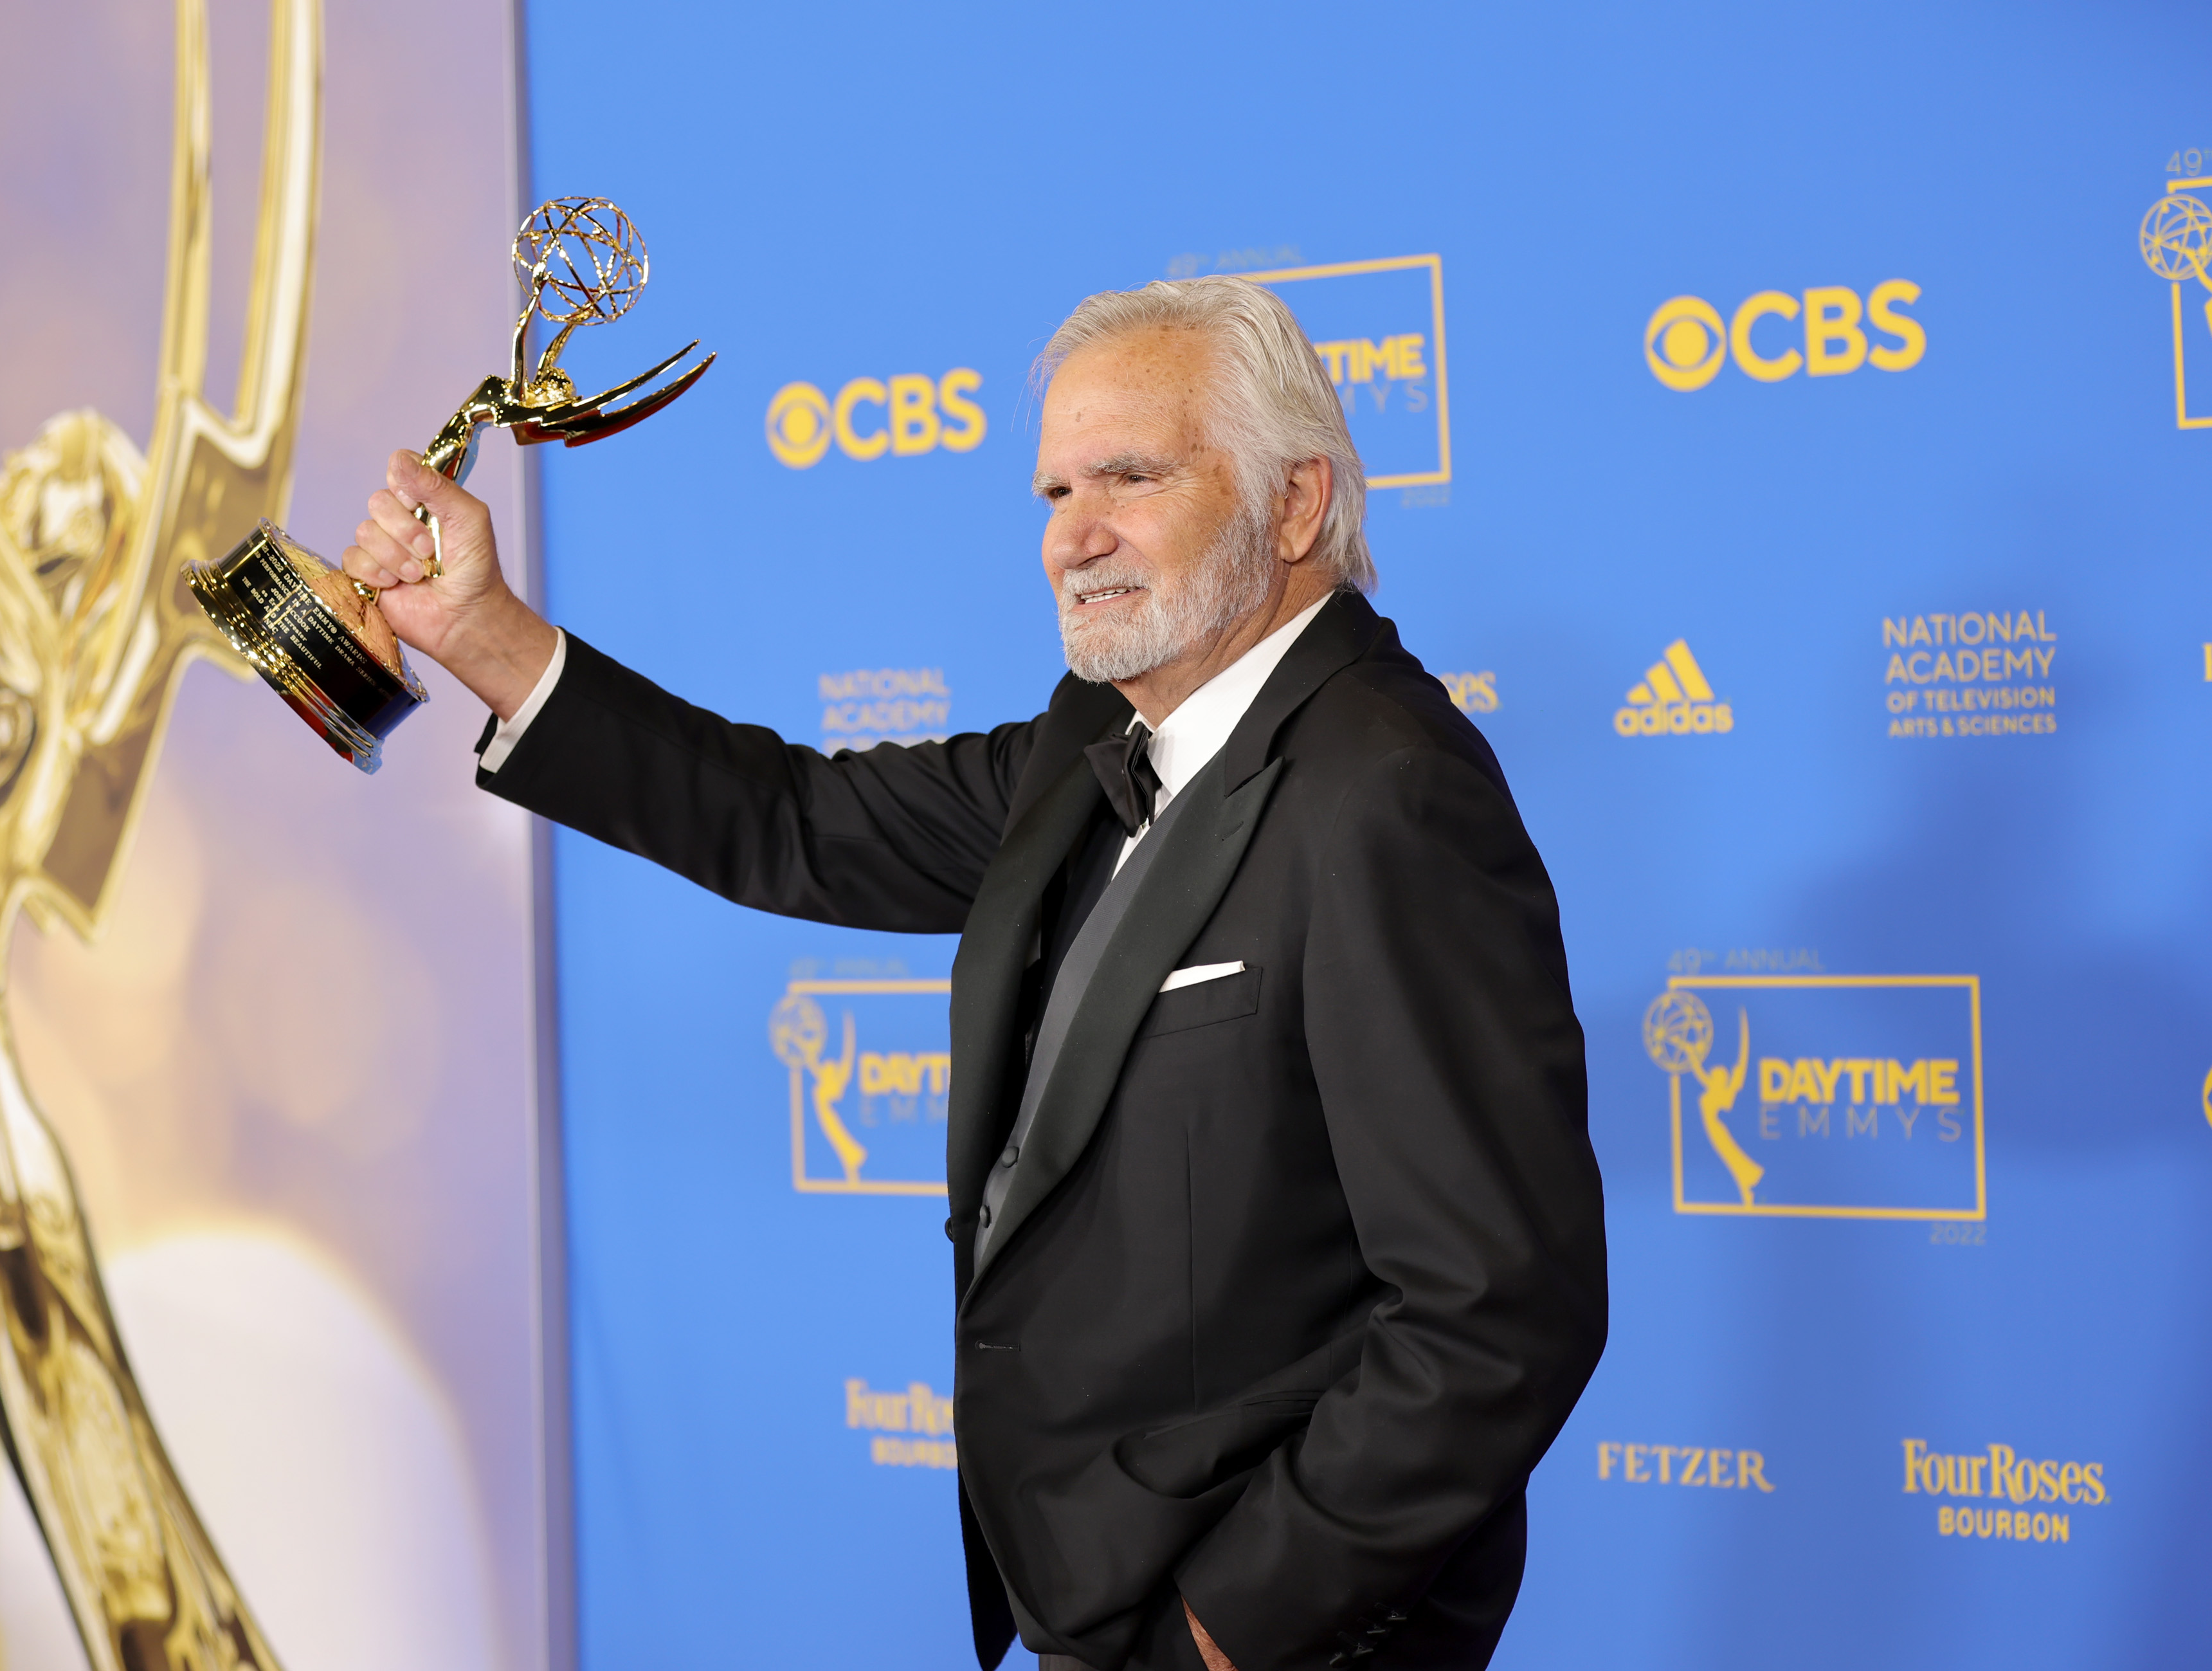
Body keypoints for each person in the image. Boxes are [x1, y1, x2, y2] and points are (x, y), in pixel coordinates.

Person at [345, 277, 1607, 1671]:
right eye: (1054, 489)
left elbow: (1495, 1312)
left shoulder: (1386, 794)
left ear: (1295, 505)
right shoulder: (1091, 744)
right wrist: (479, 635)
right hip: (1088, 1596)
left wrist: (1223, 1627)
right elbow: (789, 822)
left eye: (1129, 476)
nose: (1076, 536)